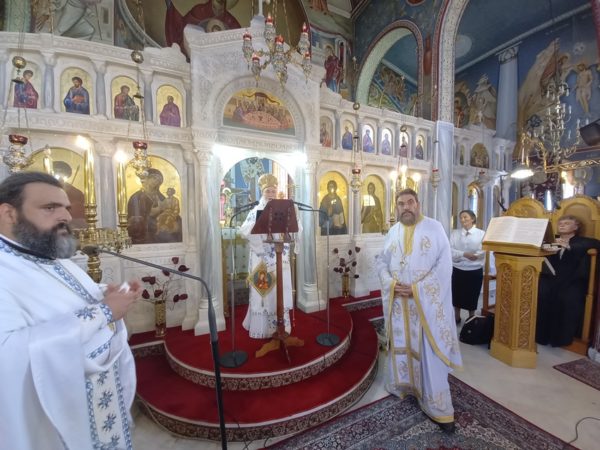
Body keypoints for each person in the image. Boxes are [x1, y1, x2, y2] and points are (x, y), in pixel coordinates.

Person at [0, 171, 141, 449]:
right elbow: (9, 355)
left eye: (66, 207)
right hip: (48, 421)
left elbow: (65, 298)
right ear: (9, 213)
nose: (65, 216)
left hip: (93, 398)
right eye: (50, 207)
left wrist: (105, 294)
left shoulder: (49, 255)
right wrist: (104, 313)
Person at [375, 188, 462, 433]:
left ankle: (437, 406)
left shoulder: (435, 228)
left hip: (425, 304)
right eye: (401, 204)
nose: (406, 207)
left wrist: (417, 289)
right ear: (397, 207)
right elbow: (381, 261)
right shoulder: (393, 231)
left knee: (427, 351)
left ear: (418, 204)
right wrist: (391, 284)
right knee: (402, 344)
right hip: (399, 304)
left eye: (410, 202)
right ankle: (404, 386)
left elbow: (444, 265)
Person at [239, 174, 301, 339]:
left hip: (281, 259)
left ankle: (281, 326)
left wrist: (296, 216)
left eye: (273, 191)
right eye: (268, 191)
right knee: (264, 292)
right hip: (262, 260)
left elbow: (295, 228)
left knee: (281, 289)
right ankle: (264, 329)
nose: (271, 194)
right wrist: (258, 226)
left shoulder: (283, 211)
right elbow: (245, 230)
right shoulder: (256, 211)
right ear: (262, 192)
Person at [537, 215, 600, 347]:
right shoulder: (553, 239)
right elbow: (540, 247)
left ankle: (561, 339)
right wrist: (551, 245)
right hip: (552, 278)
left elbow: (595, 244)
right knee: (541, 292)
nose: (562, 225)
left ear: (576, 227)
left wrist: (568, 245)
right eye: (560, 223)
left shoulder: (583, 241)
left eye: (566, 223)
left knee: (567, 298)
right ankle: (540, 335)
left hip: (572, 281)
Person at [450, 210, 485, 324]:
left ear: (473, 219)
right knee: (456, 294)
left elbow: (482, 251)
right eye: (461, 217)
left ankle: (471, 318)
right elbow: (450, 250)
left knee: (472, 295)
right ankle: (456, 317)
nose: (462, 219)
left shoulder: (481, 234)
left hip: (474, 270)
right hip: (457, 269)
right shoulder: (454, 233)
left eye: (465, 217)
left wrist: (471, 256)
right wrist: (464, 254)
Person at [127, 168, 166, 244]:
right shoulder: (136, 197)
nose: (156, 181)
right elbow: (135, 215)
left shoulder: (160, 197)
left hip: (158, 226)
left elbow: (166, 210)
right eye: (154, 178)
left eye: (158, 180)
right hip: (143, 228)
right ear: (147, 179)